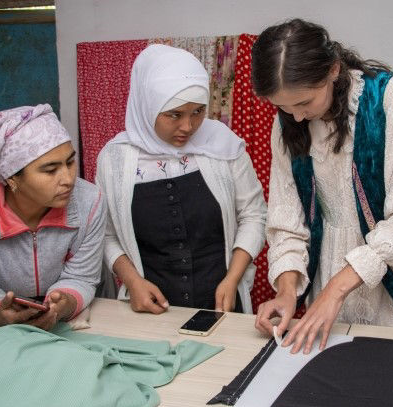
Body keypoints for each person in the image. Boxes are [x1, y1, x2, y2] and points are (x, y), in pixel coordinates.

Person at [252, 19, 393, 354]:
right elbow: (286, 221)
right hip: (329, 267)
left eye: (304, 103)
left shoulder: (389, 96)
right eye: (283, 107)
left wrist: (335, 290)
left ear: (333, 70)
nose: (296, 117)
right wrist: (285, 291)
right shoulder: (287, 122)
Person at [97, 44, 266, 314]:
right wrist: (133, 282)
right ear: (147, 106)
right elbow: (106, 234)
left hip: (222, 304)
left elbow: (254, 215)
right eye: (174, 114)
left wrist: (232, 278)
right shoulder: (114, 160)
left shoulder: (223, 146)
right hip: (149, 308)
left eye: (198, 111)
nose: (187, 126)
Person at [0, 104, 106, 329]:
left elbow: (82, 277)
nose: (68, 179)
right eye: (50, 170)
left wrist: (63, 305)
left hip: (66, 323)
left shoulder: (90, 200)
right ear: (11, 178)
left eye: (70, 162)